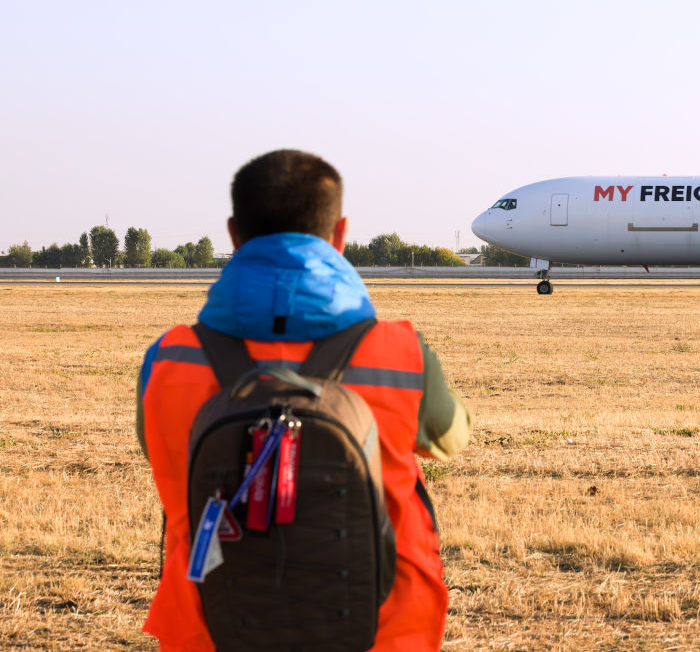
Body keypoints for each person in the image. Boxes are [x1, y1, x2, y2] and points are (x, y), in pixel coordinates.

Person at [137, 149, 471, 651]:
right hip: (384, 631)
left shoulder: (167, 359)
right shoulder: (401, 353)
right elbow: (452, 440)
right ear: (340, 234)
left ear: (233, 233)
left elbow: (161, 454)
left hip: (209, 630)